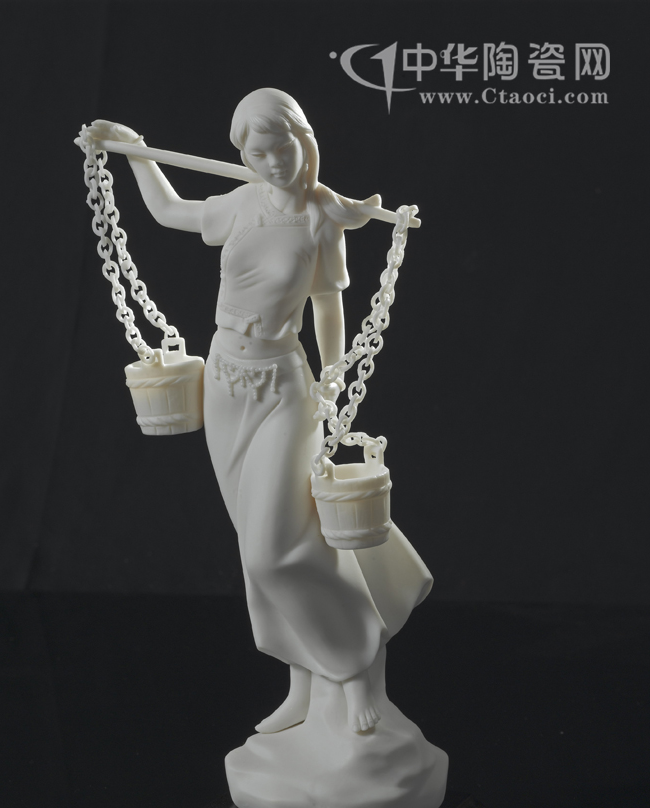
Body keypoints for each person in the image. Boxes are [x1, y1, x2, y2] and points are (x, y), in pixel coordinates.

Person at [87, 88, 432, 736]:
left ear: (304, 142)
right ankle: (304, 677)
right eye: (259, 153)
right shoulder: (241, 204)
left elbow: (328, 305)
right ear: (245, 156)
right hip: (224, 381)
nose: (274, 163)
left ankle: (357, 662)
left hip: (283, 387)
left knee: (280, 549)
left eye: (282, 149)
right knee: (258, 549)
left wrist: (333, 379)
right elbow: (169, 211)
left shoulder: (322, 216)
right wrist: (134, 152)